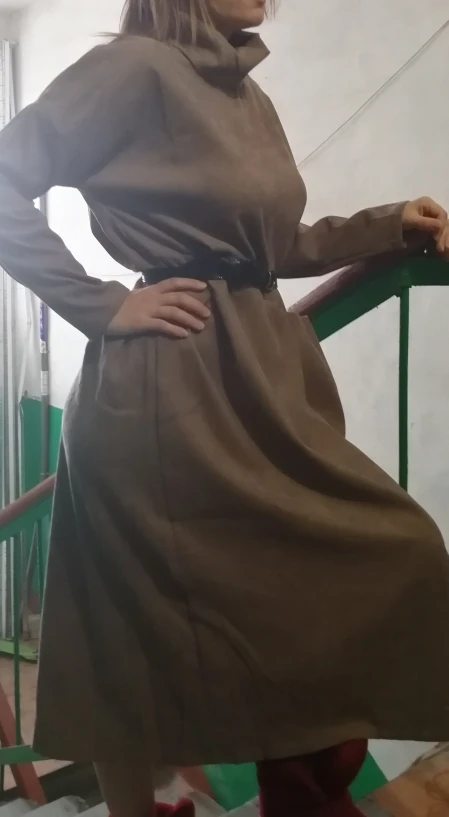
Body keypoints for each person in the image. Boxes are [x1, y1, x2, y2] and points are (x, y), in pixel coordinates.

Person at [0, 0, 449, 815]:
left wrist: (389, 226)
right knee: (130, 634)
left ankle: (295, 790)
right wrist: (101, 304)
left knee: (396, 552)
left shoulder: (247, 94)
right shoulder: (132, 67)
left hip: (258, 383)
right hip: (165, 395)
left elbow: (273, 243)